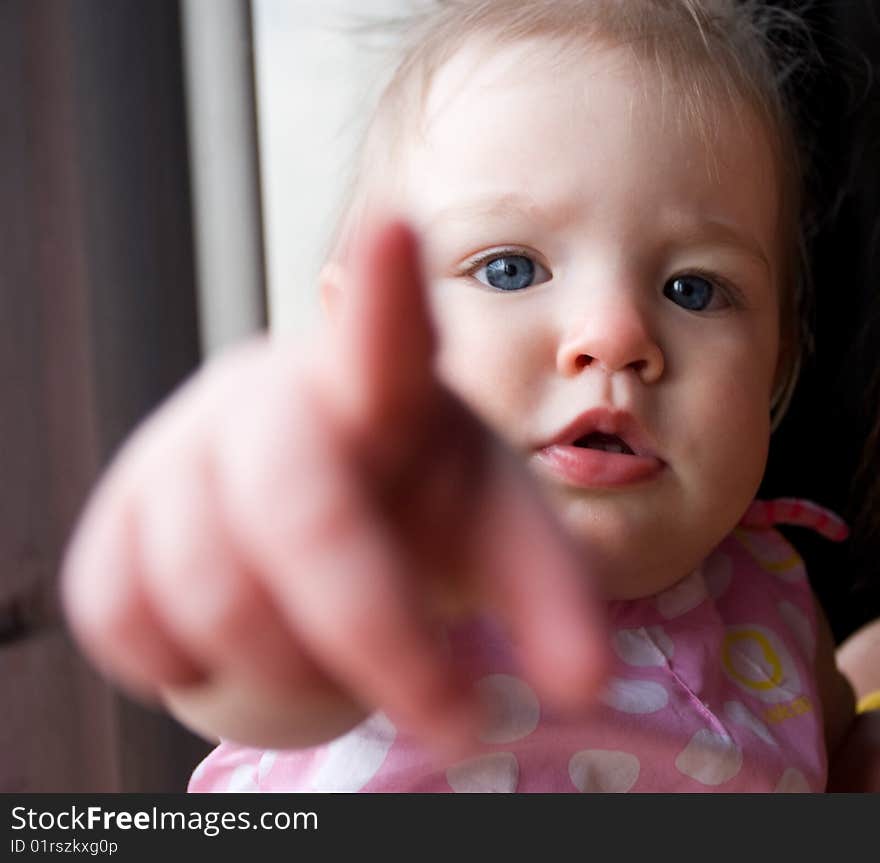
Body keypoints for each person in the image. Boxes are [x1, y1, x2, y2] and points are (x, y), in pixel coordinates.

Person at [61, 0, 874, 792]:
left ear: (777, 365)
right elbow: (265, 675)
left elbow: (832, 754)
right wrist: (239, 532)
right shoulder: (397, 566)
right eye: (509, 268)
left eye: (694, 287)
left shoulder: (777, 598)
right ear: (363, 344)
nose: (616, 332)